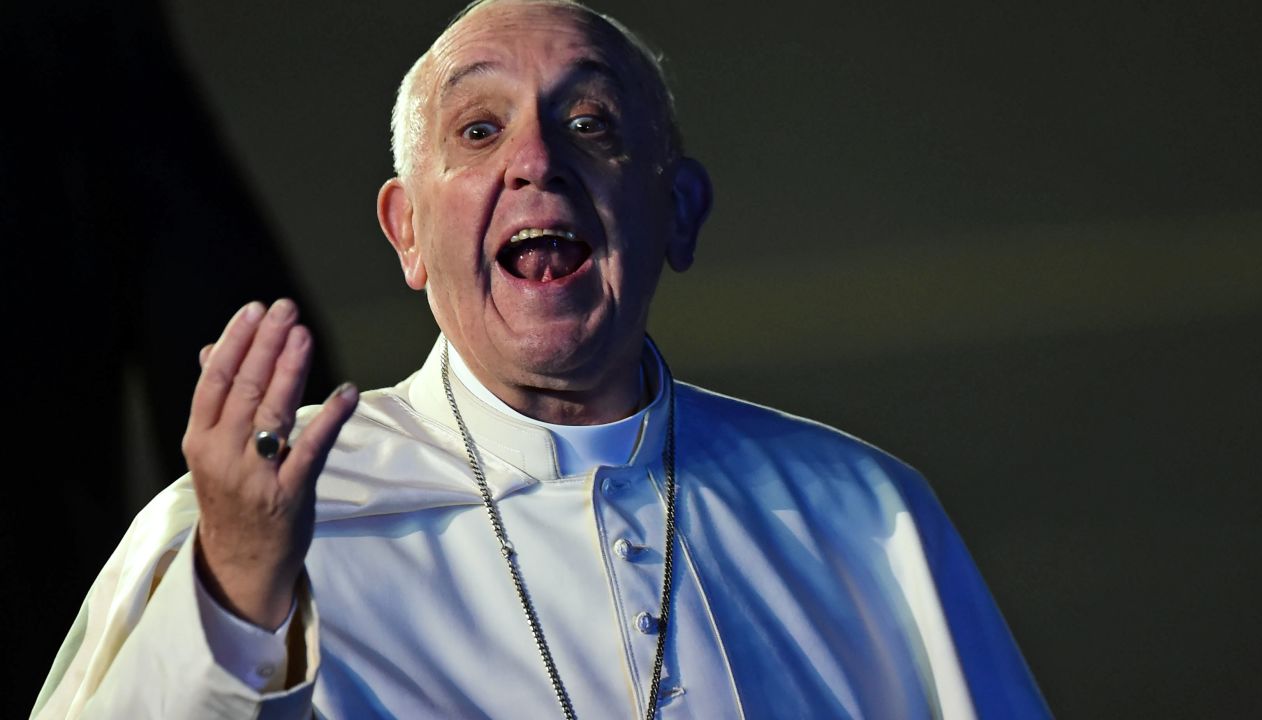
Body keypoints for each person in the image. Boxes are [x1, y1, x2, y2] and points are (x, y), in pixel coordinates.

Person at [33, 0, 1049, 717]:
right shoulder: (247, 523)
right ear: (408, 235)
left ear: (677, 211)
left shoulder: (862, 516)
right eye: (479, 129)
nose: (534, 158)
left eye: (589, 124)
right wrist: (238, 595)